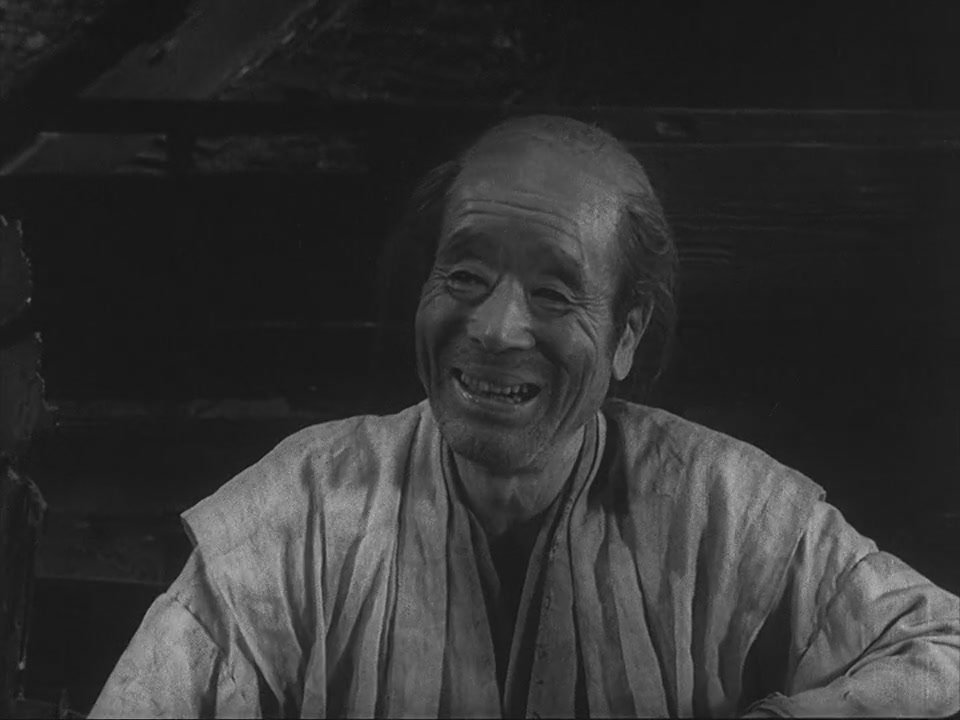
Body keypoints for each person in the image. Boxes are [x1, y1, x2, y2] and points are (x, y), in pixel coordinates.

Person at [89, 116, 959, 718]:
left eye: (553, 292)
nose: (497, 328)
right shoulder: (301, 510)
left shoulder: (720, 506)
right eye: (465, 276)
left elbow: (943, 647)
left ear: (625, 335)